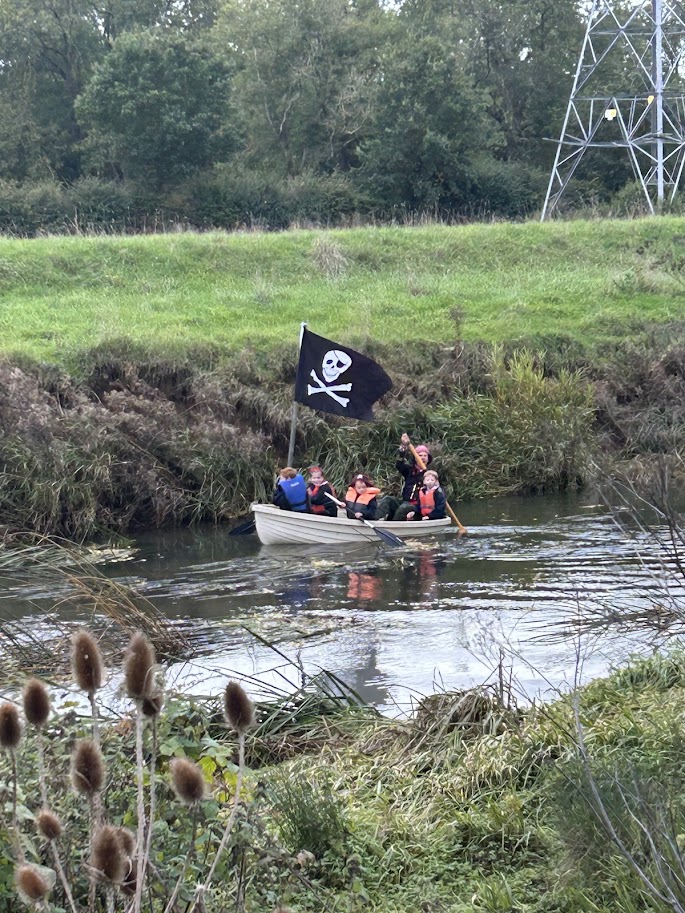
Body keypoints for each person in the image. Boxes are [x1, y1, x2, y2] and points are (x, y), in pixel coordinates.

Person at [377, 432, 433, 521]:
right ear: (415, 457)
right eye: (420, 455)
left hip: (417, 507)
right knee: (388, 500)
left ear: (428, 458)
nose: (422, 458)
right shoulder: (410, 470)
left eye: (425, 456)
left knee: (404, 508)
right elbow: (399, 464)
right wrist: (403, 447)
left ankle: (393, 526)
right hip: (405, 501)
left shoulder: (430, 475)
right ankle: (372, 519)